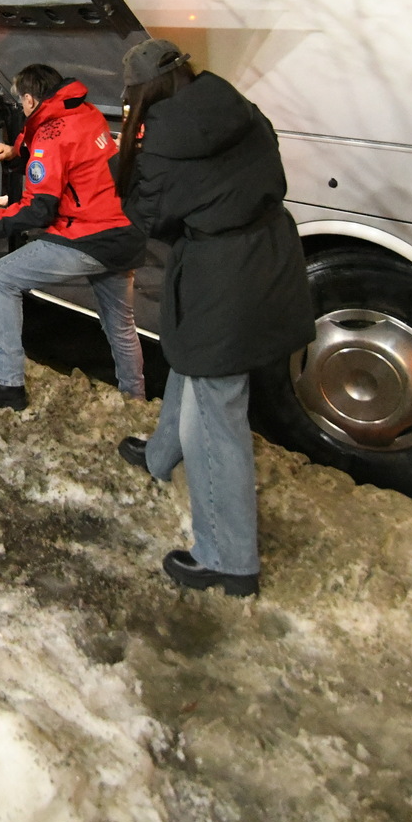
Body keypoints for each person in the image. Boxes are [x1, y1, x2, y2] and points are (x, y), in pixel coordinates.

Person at [114, 38, 313, 598]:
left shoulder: (160, 142)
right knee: (194, 361)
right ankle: (161, 454)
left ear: (142, 92)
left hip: (220, 274)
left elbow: (148, 218)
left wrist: (122, 165)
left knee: (217, 412)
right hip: (270, 251)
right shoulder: (237, 107)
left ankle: (227, 557)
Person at [0, 64, 146, 410]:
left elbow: (38, 210)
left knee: (1, 277)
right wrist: (17, 152)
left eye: (20, 101)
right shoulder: (86, 112)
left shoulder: (51, 135)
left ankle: (7, 382)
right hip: (125, 235)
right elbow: (56, 148)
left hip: (87, 235)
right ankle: (136, 401)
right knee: (121, 325)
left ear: (28, 99)